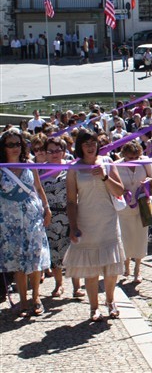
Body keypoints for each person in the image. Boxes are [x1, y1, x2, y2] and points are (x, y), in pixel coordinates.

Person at [62, 129, 126, 322]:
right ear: (80, 147)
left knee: (110, 267)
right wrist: (73, 226)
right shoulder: (74, 168)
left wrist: (105, 177)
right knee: (90, 269)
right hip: (86, 221)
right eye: (86, 144)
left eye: (93, 143)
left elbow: (120, 190)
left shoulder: (107, 162)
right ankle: (93, 307)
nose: (90, 147)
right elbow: (72, 201)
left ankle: (110, 301)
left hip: (108, 220)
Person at [0, 129, 52, 317]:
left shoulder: (30, 165)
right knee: (18, 261)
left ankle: (36, 298)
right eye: (10, 144)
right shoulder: (0, 168)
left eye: (18, 144)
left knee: (35, 258)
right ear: (3, 148)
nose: (15, 148)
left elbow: (37, 187)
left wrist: (47, 208)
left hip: (32, 217)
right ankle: (23, 301)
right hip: (9, 220)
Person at [41, 136, 83, 298]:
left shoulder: (71, 169)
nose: (54, 154)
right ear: (45, 153)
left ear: (64, 152)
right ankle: (59, 285)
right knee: (55, 253)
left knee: (74, 250)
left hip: (70, 215)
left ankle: (77, 286)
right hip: (50, 217)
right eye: (50, 151)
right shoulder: (39, 169)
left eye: (58, 150)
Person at [116, 141, 152, 283]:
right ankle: (126, 263)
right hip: (124, 207)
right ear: (124, 155)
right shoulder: (117, 165)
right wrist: (122, 191)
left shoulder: (145, 162)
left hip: (142, 206)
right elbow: (113, 186)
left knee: (140, 237)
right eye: (130, 158)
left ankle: (137, 269)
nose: (133, 160)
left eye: (136, 157)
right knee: (125, 238)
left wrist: (149, 180)